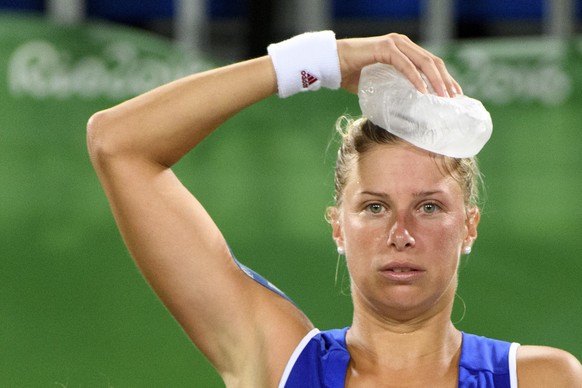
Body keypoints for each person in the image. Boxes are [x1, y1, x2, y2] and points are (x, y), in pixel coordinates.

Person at [87, 31, 582, 387]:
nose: (401, 232)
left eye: (429, 207)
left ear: (469, 225)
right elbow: (117, 143)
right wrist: (321, 60)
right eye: (374, 207)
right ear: (338, 227)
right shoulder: (279, 361)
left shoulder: (541, 379)